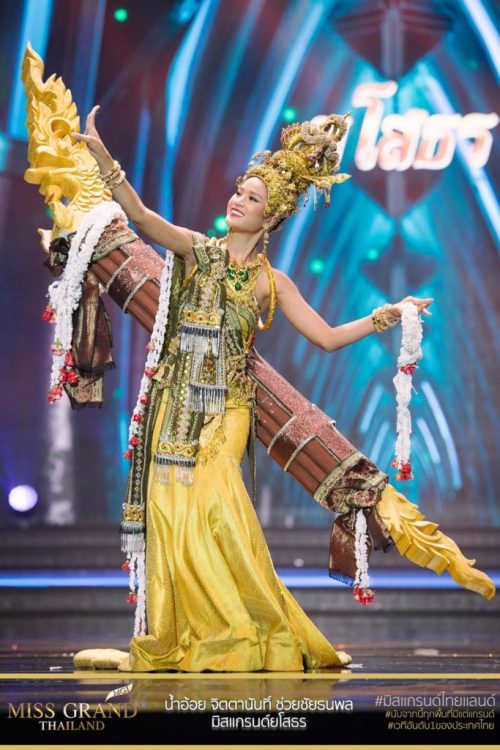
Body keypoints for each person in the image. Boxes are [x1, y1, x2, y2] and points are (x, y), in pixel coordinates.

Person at [70, 107, 494, 673]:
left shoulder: (274, 284)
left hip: (229, 410)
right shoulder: (198, 251)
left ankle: (252, 630)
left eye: (250, 197)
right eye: (237, 192)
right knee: (172, 516)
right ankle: (189, 631)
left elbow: (325, 337)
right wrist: (104, 160)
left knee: (219, 510)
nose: (236, 201)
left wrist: (387, 314)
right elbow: (144, 220)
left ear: (270, 215)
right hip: (175, 404)